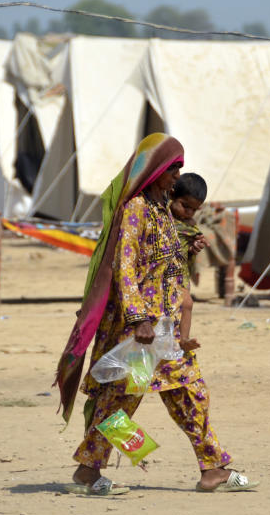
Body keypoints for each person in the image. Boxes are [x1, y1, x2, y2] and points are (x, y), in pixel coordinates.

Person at [53, 133, 258, 495]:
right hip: (141, 332)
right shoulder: (134, 210)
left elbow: (166, 261)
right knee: (120, 401)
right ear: (154, 170)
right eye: (172, 168)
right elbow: (125, 267)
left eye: (179, 168)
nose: (177, 176)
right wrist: (138, 319)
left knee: (190, 394)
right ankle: (88, 469)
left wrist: (188, 249)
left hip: (165, 330)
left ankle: (212, 469)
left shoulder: (162, 210)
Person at [169, 172, 208, 353]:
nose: (189, 212)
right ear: (172, 195)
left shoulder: (189, 225)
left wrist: (195, 247)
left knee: (187, 304)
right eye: (185, 206)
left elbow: (192, 243)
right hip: (161, 274)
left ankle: (184, 340)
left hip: (180, 274)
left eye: (194, 209)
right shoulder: (162, 218)